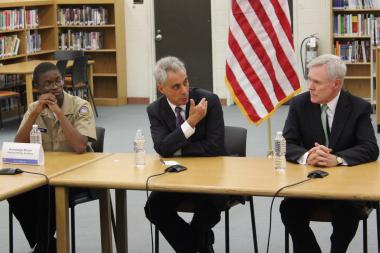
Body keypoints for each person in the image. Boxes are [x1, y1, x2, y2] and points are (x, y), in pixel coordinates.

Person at [280, 54, 379, 253]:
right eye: (309, 79)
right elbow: (286, 143)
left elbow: (370, 147)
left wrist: (338, 159)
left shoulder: (358, 107)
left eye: (316, 82)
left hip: (346, 187)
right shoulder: (300, 104)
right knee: (288, 210)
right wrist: (308, 156)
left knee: (347, 213)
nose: (310, 86)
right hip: (309, 183)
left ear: (335, 84)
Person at [8, 62, 96, 253]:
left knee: (47, 193)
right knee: (15, 194)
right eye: (47, 84)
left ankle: (44, 246)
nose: (54, 87)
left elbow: (80, 146)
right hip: (43, 174)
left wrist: (58, 112)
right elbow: (18, 145)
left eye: (58, 80)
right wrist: (35, 113)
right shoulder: (34, 108)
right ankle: (47, 243)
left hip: (75, 176)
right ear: (38, 88)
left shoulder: (81, 106)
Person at [145, 56, 228, 253]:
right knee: (153, 208)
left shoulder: (209, 101)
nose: (184, 90)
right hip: (178, 178)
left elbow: (214, 148)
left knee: (207, 209)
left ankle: (197, 241)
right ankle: (198, 244)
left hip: (213, 177)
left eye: (186, 82)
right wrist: (190, 123)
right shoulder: (155, 110)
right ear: (161, 89)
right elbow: (162, 148)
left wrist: (177, 147)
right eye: (175, 87)